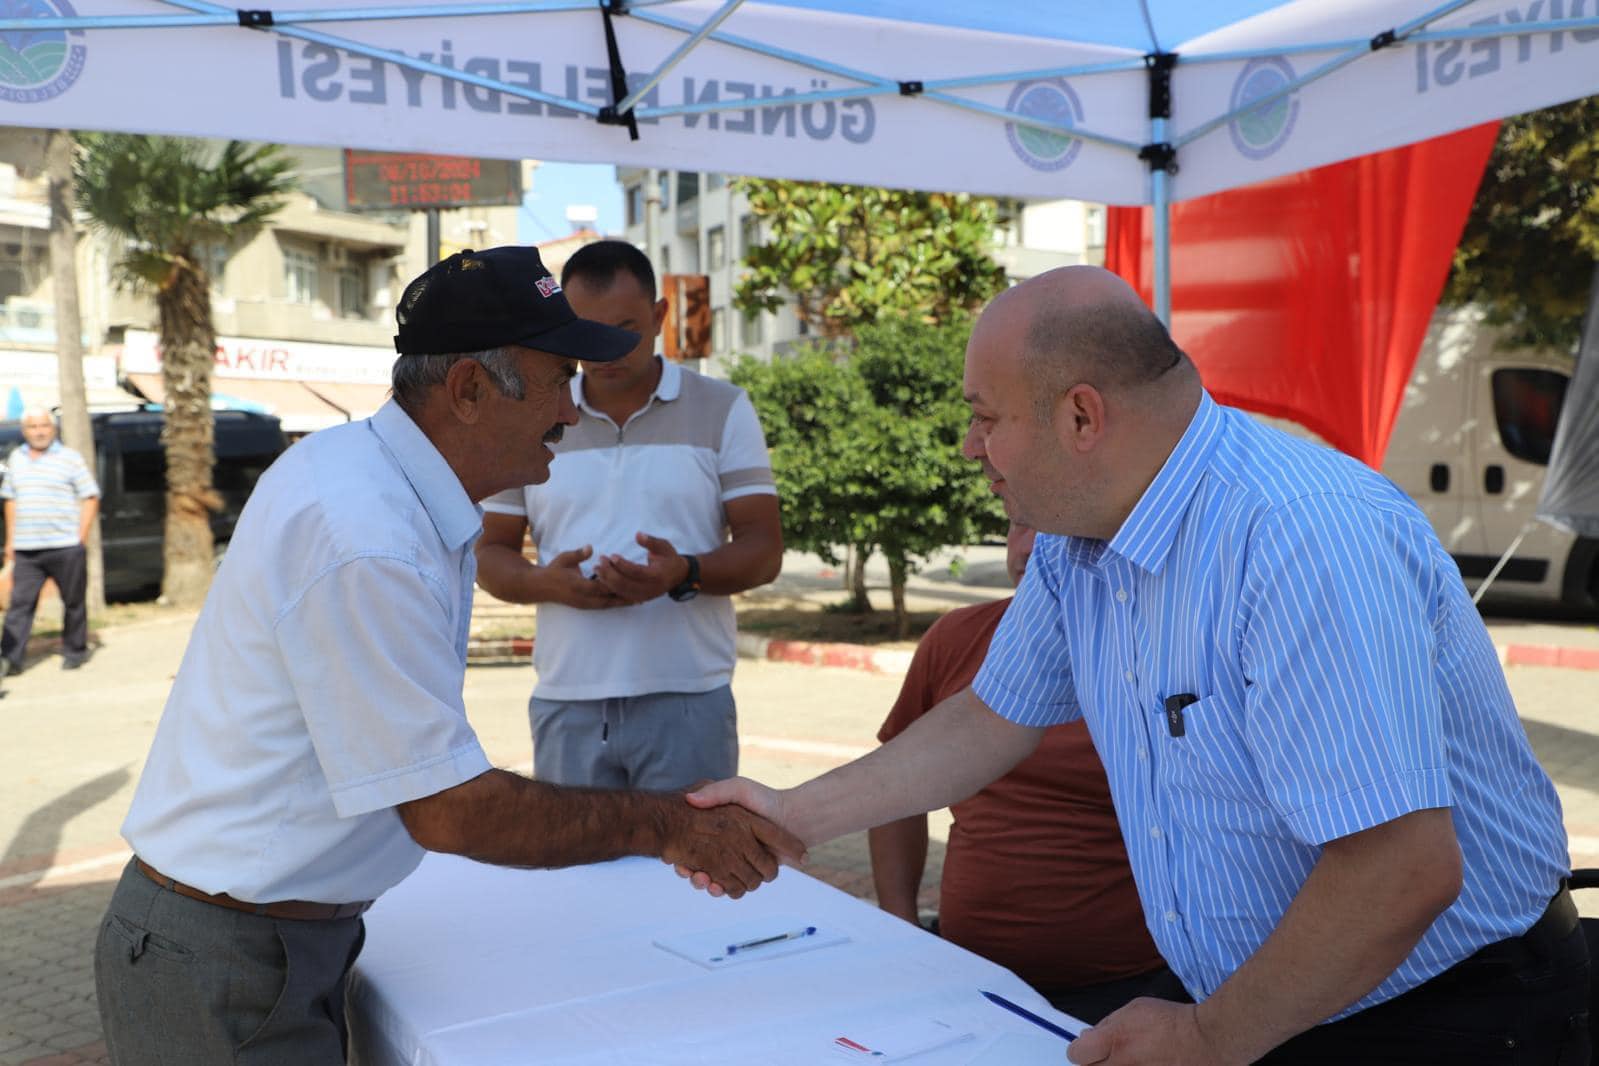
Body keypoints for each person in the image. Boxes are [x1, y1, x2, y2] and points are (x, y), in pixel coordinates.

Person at [685, 265, 1586, 1065]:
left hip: (1449, 1014)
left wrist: (1206, 1038)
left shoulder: (1300, 535)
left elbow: (1399, 870)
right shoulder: (1085, 536)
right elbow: (990, 717)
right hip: (1288, 1003)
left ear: (1081, 415)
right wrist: (792, 812)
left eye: (984, 417)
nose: (969, 448)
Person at [95, 246, 803, 1066]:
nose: (571, 412)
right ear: (469, 388)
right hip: (225, 961)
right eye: (556, 380)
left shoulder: (375, 483)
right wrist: (663, 825)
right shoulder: (366, 533)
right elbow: (449, 809)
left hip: (261, 943)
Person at [475, 240, 782, 791]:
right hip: (567, 699)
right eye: (588, 330)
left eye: (626, 327)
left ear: (661, 316)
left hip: (689, 696)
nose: (607, 349)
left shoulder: (723, 408)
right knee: (577, 875)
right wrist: (546, 583)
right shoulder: (533, 414)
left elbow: (763, 549)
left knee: (690, 875)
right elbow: (490, 552)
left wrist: (683, 573)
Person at [868, 520, 1167, 1025]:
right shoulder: (956, 638)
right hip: (965, 975)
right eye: (1018, 526)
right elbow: (895, 795)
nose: (1029, 547)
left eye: (1053, 530)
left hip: (1126, 991)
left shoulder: (1154, 652)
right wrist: (900, 925)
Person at [1, 406, 99, 676]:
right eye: (32, 427)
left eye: (43, 426)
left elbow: (90, 496)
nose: (39, 431)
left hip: (65, 545)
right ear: (24, 431)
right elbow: (10, 500)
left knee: (73, 601)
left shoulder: (70, 458)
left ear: (53, 428)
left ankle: (74, 651)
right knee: (20, 605)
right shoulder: (16, 459)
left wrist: (80, 537)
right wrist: (11, 541)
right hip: (27, 548)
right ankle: (9, 658)